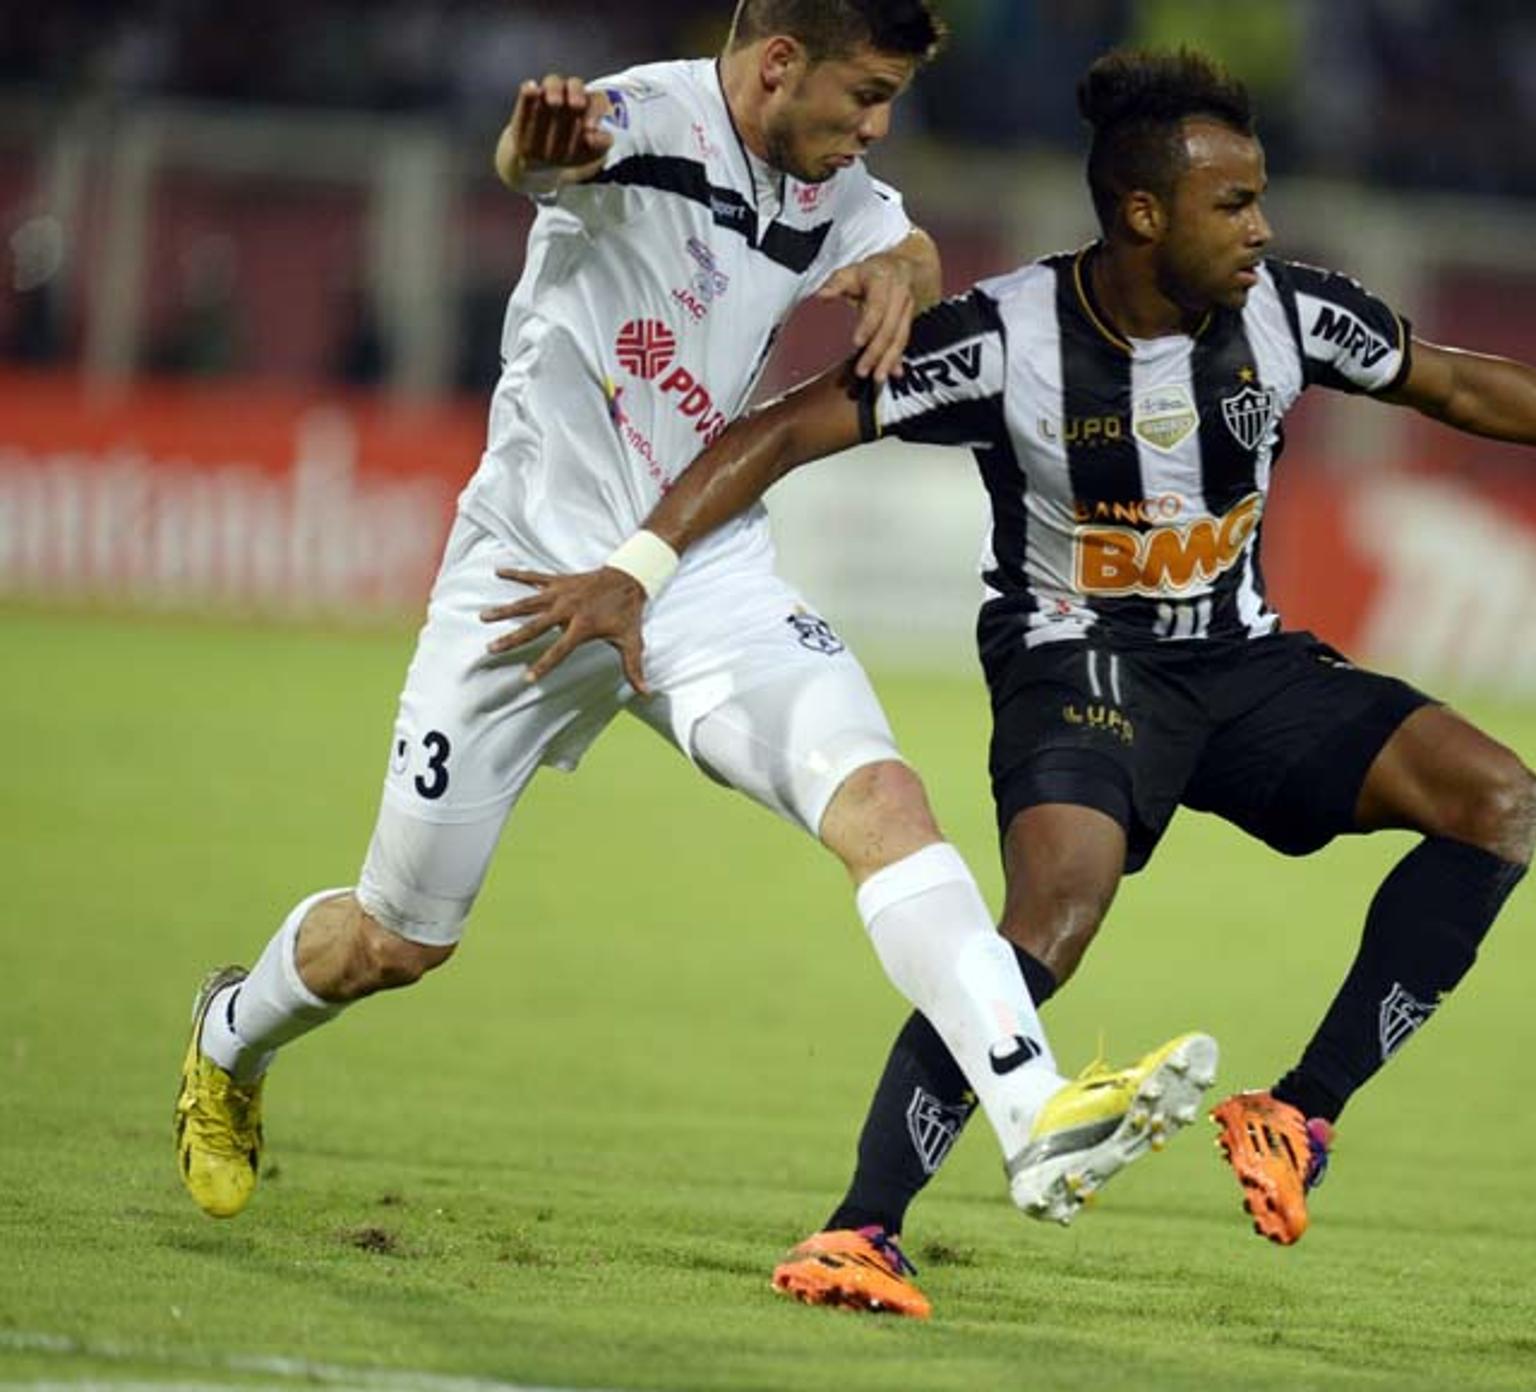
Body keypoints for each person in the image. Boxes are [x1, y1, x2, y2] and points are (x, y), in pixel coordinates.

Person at [483, 48, 1536, 1319]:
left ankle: (1299, 1111)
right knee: (1053, 916)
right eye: (1232, 202)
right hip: (1079, 666)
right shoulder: (1005, 337)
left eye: (1261, 198)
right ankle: (858, 1226)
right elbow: (785, 427)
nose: (1260, 228)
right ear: (1139, 210)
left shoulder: (1293, 315)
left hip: (1242, 662)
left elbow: (1456, 383)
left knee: (1498, 801)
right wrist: (642, 568)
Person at [173, 4, 1219, 1269]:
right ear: (779, 64)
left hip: (701, 574)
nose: (879, 128)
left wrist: (908, 267)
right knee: (396, 942)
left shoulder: (831, 175)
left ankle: (1034, 1111)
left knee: (882, 800)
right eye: (867, 94)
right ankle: (232, 1032)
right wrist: (534, 142)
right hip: (530, 588)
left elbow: (910, 245)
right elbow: (543, 156)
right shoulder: (647, 121)